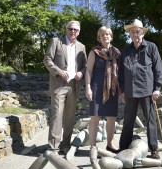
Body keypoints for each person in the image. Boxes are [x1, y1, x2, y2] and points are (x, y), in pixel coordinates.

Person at [118, 19, 162, 159]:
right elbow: (121, 73)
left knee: (150, 121)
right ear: (130, 34)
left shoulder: (151, 47)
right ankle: (123, 148)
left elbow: (158, 69)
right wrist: (122, 91)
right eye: (132, 32)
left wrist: (157, 88)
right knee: (128, 121)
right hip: (130, 91)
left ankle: (153, 149)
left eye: (138, 31)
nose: (135, 34)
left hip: (147, 90)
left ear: (142, 33)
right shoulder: (125, 50)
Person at [43, 20, 87, 155]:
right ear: (66, 29)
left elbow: (85, 65)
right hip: (59, 84)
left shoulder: (82, 47)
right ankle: (53, 147)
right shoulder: (56, 41)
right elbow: (47, 60)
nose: (73, 31)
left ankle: (65, 145)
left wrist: (81, 72)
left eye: (75, 30)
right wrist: (58, 71)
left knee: (69, 117)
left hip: (74, 85)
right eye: (70, 29)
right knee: (57, 115)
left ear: (79, 32)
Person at [85, 26, 121, 154]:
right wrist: (88, 87)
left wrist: (121, 91)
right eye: (102, 35)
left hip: (112, 88)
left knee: (111, 117)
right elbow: (88, 71)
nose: (105, 36)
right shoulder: (94, 52)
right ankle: (93, 147)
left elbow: (119, 72)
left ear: (110, 36)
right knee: (95, 117)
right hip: (96, 87)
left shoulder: (117, 53)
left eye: (107, 34)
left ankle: (110, 144)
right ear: (99, 38)